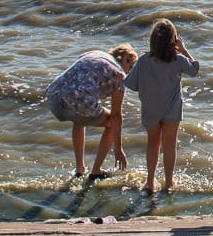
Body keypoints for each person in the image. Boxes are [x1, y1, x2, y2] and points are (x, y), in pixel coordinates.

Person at [124, 19, 200, 193]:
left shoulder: (143, 61)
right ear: (173, 41)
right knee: (169, 145)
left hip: (150, 108)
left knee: (152, 144)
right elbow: (194, 70)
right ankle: (168, 182)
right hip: (172, 108)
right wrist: (184, 49)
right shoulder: (178, 60)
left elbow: (132, 84)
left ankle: (150, 181)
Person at [45, 44, 137, 180]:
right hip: (78, 102)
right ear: (125, 59)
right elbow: (116, 116)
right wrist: (118, 149)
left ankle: (80, 168)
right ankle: (96, 171)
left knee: (79, 119)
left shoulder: (94, 54)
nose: (129, 73)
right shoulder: (119, 75)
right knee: (111, 123)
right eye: (130, 67)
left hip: (53, 97)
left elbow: (79, 77)